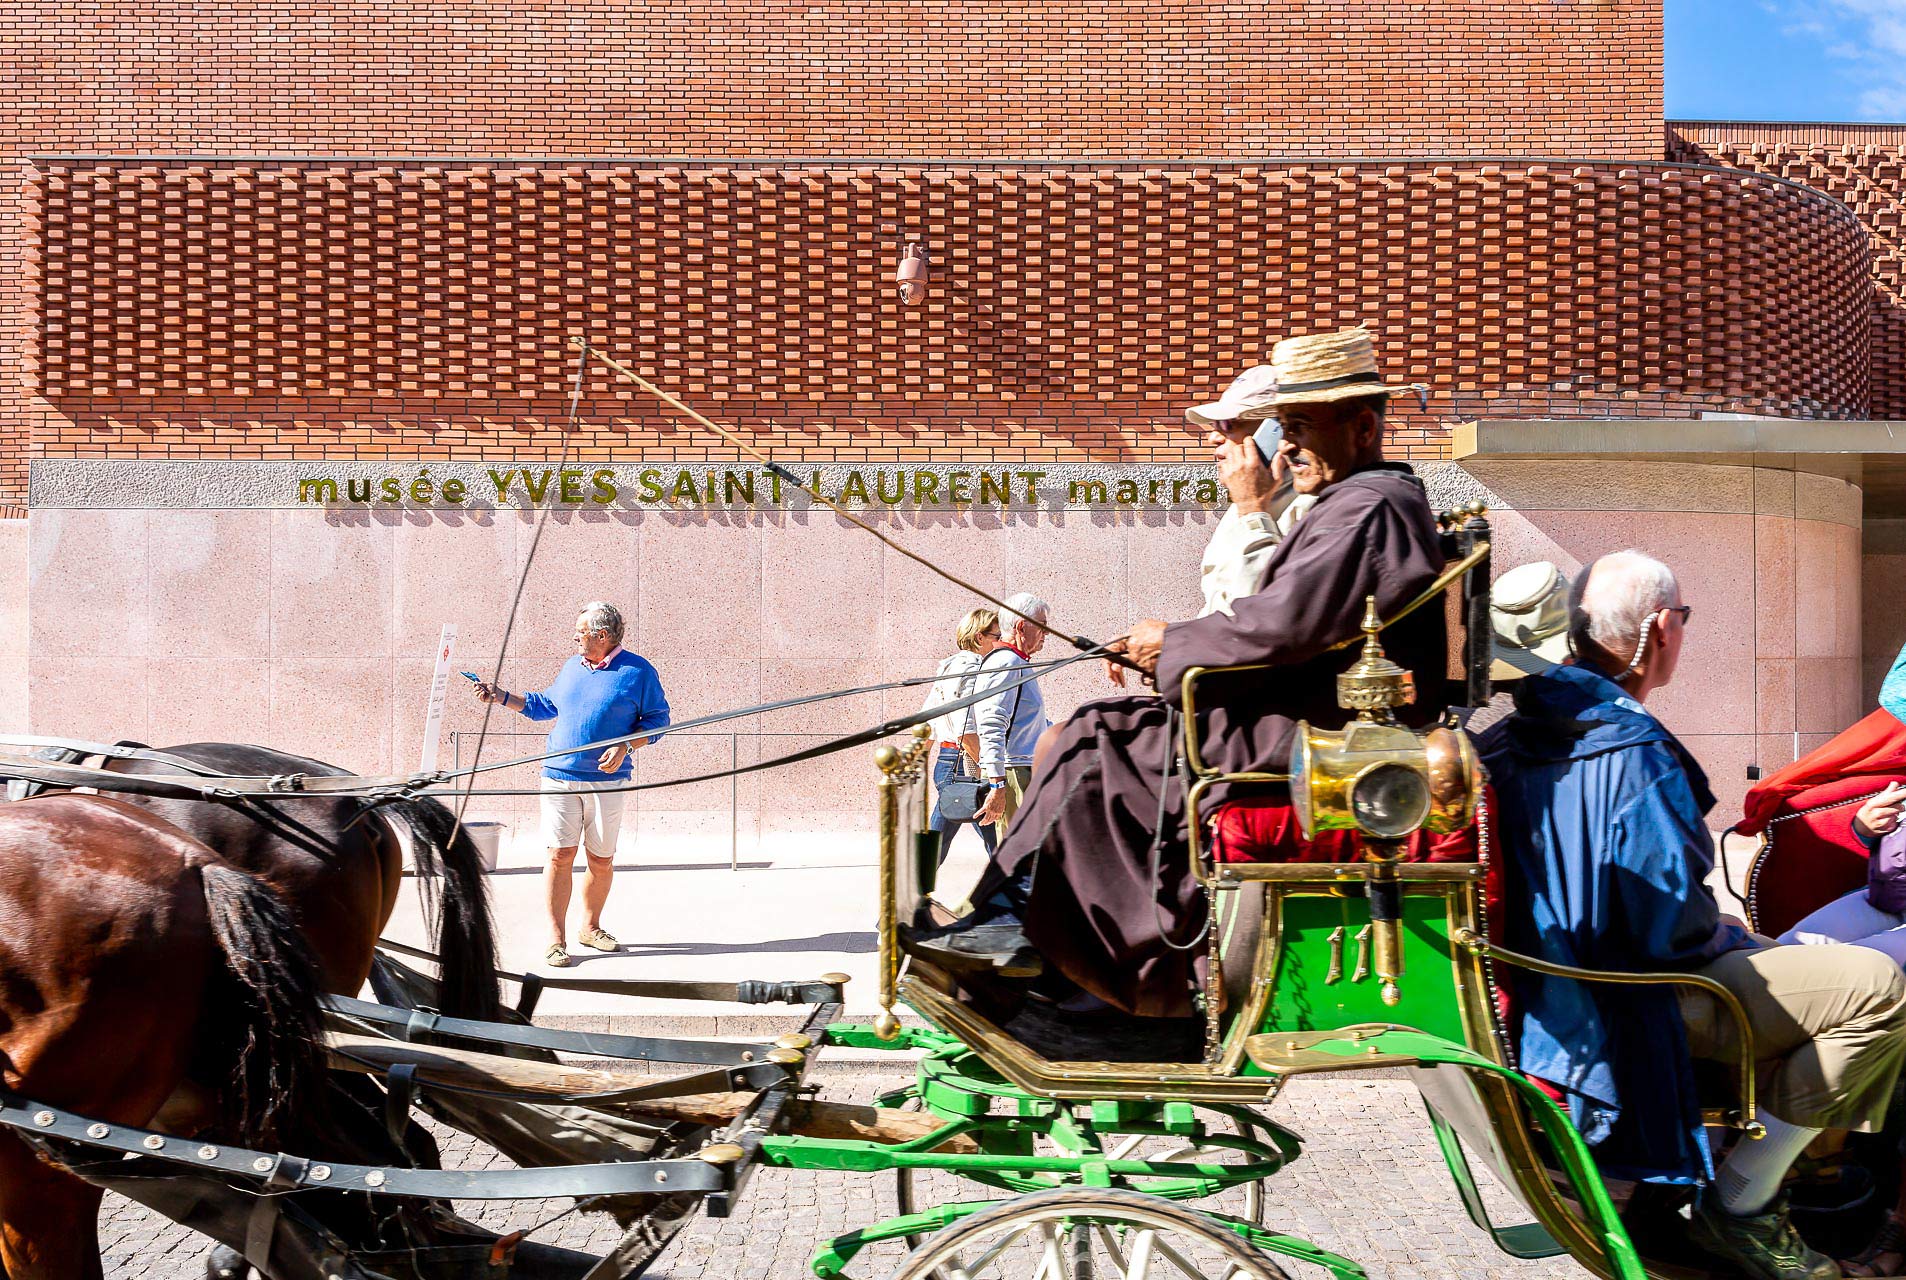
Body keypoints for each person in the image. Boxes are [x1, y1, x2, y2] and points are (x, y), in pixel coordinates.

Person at [911, 327, 1449, 1018]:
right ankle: (1027, 921)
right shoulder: (1359, 501)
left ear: (1365, 425)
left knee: (1092, 743)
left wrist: (1173, 643)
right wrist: (1172, 647)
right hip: (1301, 716)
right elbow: (1284, 621)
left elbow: (1284, 623)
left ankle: (1045, 932)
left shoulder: (1369, 504)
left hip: (1311, 738)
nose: (1284, 447)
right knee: (1097, 730)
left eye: (1301, 427)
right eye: (1282, 428)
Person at [1479, 550, 1906, 1280]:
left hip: (1567, 988)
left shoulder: (1512, 735)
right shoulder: (1633, 749)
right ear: (1660, 630)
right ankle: (1743, 1202)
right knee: (1880, 989)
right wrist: (1728, 934)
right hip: (1636, 1001)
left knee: (1822, 945)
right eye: (1682, 618)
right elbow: (1669, 928)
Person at [474, 602, 671, 969]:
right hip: (559, 777)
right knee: (559, 855)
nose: (575, 636)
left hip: (608, 782)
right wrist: (499, 696)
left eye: (580, 631)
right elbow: (543, 706)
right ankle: (556, 938)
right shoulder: (571, 667)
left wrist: (627, 745)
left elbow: (659, 722)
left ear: (602, 635)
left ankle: (591, 928)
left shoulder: (638, 672)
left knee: (601, 859)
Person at [923, 608, 1002, 862]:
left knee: (940, 837)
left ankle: (915, 887)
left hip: (950, 762)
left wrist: (920, 757)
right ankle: (1013, 891)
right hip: (966, 762)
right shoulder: (970, 668)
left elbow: (928, 717)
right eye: (996, 636)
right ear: (980, 637)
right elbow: (965, 730)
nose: (1000, 643)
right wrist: (992, 768)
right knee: (997, 838)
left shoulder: (950, 666)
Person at [972, 593, 1051, 842]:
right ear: (1020, 626)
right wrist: (997, 785)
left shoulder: (1015, 662)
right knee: (1020, 857)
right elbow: (991, 724)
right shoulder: (1007, 663)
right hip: (1014, 774)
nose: (1046, 634)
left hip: (1021, 771)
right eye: (1042, 626)